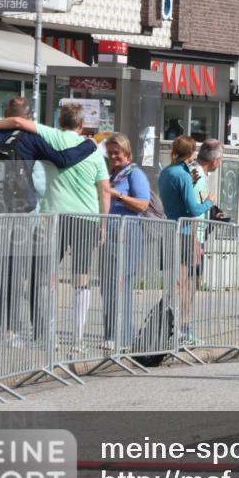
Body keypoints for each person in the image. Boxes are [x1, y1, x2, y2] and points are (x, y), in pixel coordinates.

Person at [0, 97, 98, 344]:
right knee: (13, 271)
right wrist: (89, 145)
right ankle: (9, 331)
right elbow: (63, 160)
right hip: (17, 212)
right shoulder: (29, 139)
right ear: (28, 118)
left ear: (5, 113)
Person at [0, 102, 111, 349]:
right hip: (86, 218)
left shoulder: (50, 135)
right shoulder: (95, 152)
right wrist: (103, 223)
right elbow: (105, 191)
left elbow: (18, 122)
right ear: (81, 125)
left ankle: (47, 334)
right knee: (81, 277)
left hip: (52, 217)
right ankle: (78, 338)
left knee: (43, 276)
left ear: (60, 122)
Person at [158, 136, 214, 346]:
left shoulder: (166, 172)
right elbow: (193, 209)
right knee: (187, 282)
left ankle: (169, 325)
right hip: (185, 232)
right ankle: (181, 327)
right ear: (191, 153)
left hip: (170, 229)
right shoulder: (182, 174)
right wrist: (209, 202)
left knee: (175, 281)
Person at [100, 133, 150, 351]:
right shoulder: (112, 173)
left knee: (122, 284)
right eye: (109, 153)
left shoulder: (135, 174)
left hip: (127, 233)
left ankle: (125, 334)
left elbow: (143, 204)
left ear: (126, 153)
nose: (112, 157)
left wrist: (117, 196)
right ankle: (111, 333)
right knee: (108, 285)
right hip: (109, 234)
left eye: (116, 153)